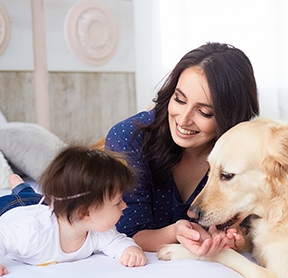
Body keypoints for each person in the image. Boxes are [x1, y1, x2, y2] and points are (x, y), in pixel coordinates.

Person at [105, 42, 259, 256]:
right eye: (179, 99)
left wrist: (232, 237)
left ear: (230, 118)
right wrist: (175, 232)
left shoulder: (244, 157)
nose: (184, 120)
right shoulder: (129, 139)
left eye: (204, 112)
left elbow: (246, 227)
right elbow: (125, 233)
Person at [0, 146, 147, 278]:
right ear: (84, 213)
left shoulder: (97, 232)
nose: (124, 206)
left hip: (39, 204)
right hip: (8, 208)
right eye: (117, 203)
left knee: (31, 197)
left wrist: (129, 250)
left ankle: (19, 185)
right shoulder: (32, 234)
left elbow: (117, 241)